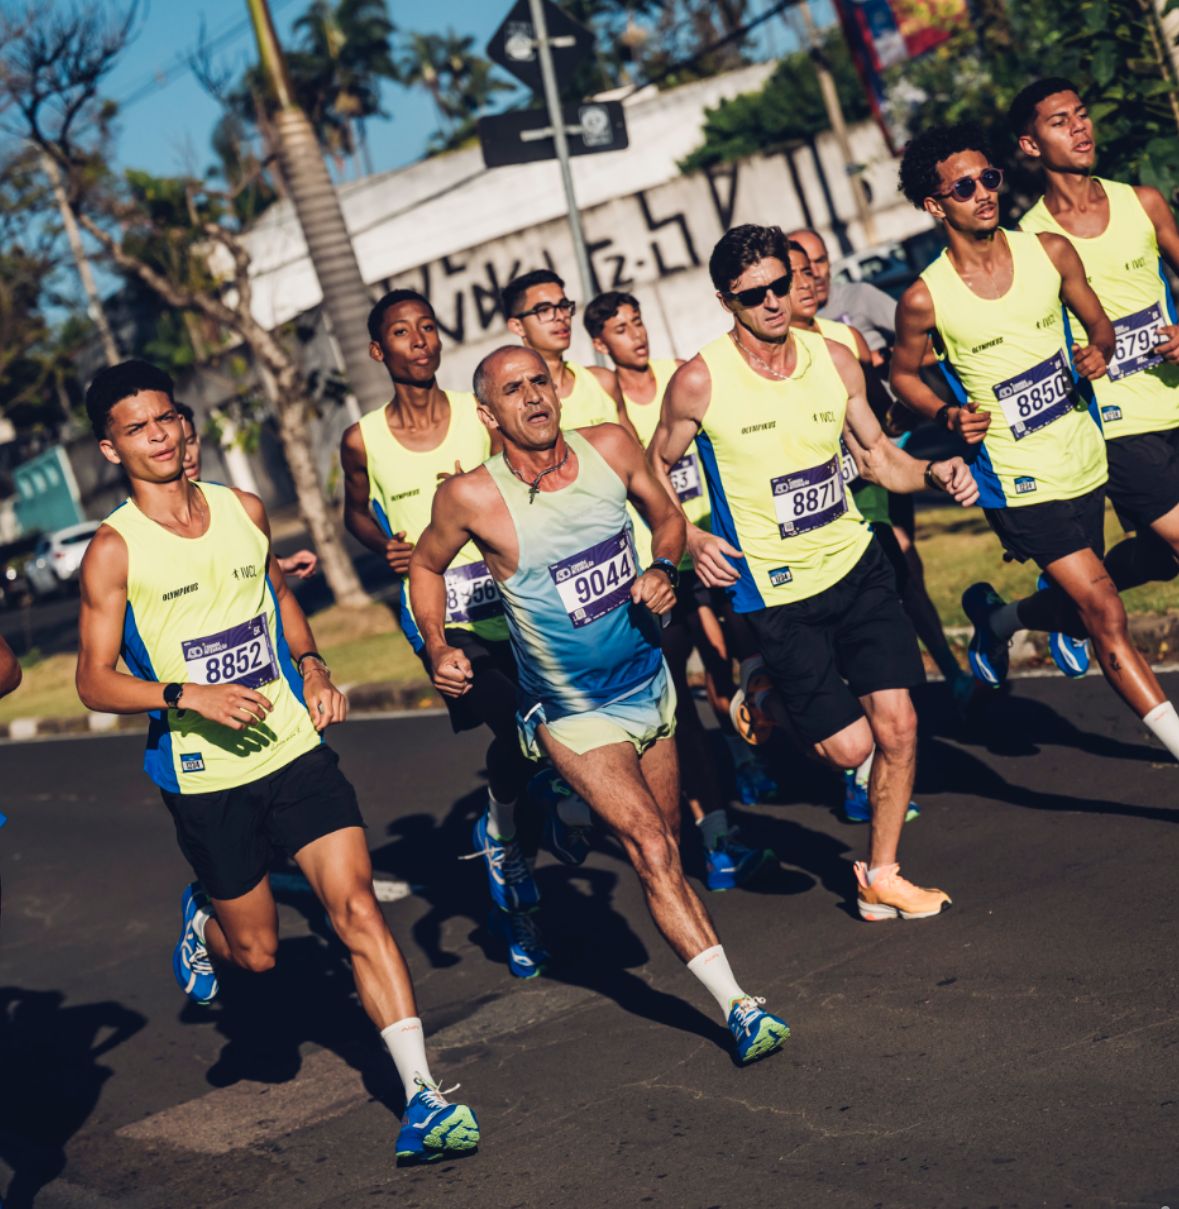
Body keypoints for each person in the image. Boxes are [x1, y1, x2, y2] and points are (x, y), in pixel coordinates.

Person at [76, 359, 478, 1164]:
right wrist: (186, 694)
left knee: (356, 908)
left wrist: (314, 665)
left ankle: (423, 1096)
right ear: (111, 449)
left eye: (166, 418)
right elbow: (93, 678)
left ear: (182, 420)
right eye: (136, 428)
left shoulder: (243, 509)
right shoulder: (114, 550)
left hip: (293, 749)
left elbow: (278, 598)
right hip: (206, 775)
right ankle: (205, 920)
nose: (158, 436)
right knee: (256, 953)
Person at [409, 345, 790, 1064]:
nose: (534, 396)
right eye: (513, 390)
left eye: (540, 382)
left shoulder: (610, 446)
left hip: (648, 683)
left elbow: (667, 516)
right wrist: (436, 646)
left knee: (665, 838)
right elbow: (426, 566)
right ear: (487, 415)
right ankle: (739, 1006)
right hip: (572, 711)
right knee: (652, 848)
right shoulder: (471, 497)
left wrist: (661, 565)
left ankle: (564, 811)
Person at [649, 224, 978, 922]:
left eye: (780, 284)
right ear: (725, 300)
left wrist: (934, 471)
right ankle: (762, 689)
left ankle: (881, 875)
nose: (773, 301)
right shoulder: (700, 381)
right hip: (777, 594)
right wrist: (691, 537)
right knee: (849, 748)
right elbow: (651, 473)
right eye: (753, 294)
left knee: (898, 727)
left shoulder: (834, 359)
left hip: (855, 564)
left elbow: (878, 456)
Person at [890, 124, 1179, 765]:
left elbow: (1098, 324)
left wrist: (1097, 350)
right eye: (964, 188)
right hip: (1016, 477)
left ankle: (998, 622)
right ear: (935, 205)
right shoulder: (924, 298)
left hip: (1083, 455)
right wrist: (946, 413)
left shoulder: (1049, 251)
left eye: (989, 178)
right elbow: (902, 376)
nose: (983, 193)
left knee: (1118, 586)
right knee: (1104, 610)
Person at [341, 289, 576, 979]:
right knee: (520, 727)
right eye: (401, 332)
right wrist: (384, 544)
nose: (419, 340)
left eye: (427, 327)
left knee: (538, 740)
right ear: (378, 350)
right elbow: (354, 513)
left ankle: (502, 835)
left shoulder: (479, 417)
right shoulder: (362, 439)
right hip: (445, 620)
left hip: (513, 597)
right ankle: (514, 868)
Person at [585, 289, 774, 889]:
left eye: (638, 322)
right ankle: (714, 829)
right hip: (659, 561)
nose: (636, 335)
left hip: (712, 538)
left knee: (731, 650)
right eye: (621, 328)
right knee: (677, 691)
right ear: (601, 343)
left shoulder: (680, 380)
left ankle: (744, 750)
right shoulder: (606, 403)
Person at [1005, 78, 1179, 676]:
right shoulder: (1028, 240)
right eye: (1059, 121)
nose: (1079, 127)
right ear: (1030, 145)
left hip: (1173, 397)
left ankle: (1049, 607)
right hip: (1118, 422)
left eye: (1081, 114)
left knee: (1163, 561)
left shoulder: (1143, 203)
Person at [175, 402, 318, 581]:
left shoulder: (227, 498)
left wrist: (281, 564)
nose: (188, 456)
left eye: (189, 442)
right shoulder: (152, 524)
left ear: (197, 440)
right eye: (177, 448)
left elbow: (240, 561)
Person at [502, 269, 634, 433]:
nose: (560, 317)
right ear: (517, 326)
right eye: (544, 310)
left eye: (563, 306)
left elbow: (634, 447)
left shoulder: (603, 382)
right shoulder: (517, 404)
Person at [787, 227, 896, 365]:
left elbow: (919, 335)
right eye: (806, 268)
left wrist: (880, 356)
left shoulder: (859, 295)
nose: (816, 273)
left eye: (820, 261)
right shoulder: (784, 325)